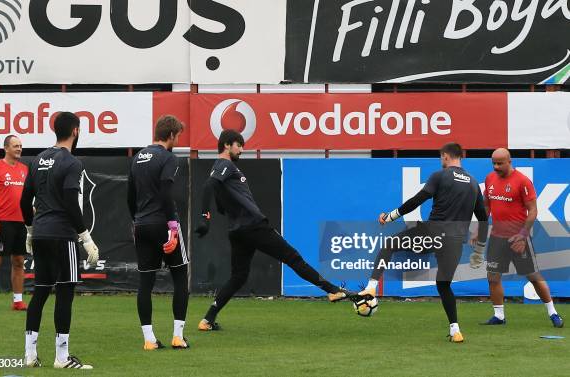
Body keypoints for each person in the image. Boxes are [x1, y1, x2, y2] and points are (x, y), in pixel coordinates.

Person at [194, 129, 352, 331]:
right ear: (227, 145)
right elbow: (209, 186)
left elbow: (218, 199)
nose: (242, 150)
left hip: (238, 230)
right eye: (239, 145)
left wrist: (215, 211)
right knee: (293, 258)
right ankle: (331, 290)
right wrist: (204, 217)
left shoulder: (219, 169)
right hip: (254, 226)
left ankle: (207, 319)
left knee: (238, 277)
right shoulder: (225, 165)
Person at [357, 142, 489, 343]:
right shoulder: (473, 183)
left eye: (440, 157)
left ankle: (371, 287)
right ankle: (456, 330)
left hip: (432, 232)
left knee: (390, 244)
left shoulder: (440, 175)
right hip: (454, 241)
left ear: (445, 156)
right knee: (444, 285)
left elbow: (416, 201)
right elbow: (483, 218)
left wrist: (390, 217)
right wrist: (479, 249)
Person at [20, 112, 99, 369]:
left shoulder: (38, 159)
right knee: (65, 293)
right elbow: (69, 202)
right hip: (62, 235)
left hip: (41, 233)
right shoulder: (72, 162)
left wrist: (30, 231)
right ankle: (62, 358)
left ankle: (30, 356)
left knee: (40, 293)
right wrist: (85, 237)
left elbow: (24, 201)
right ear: (75, 130)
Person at [470, 148, 563, 328]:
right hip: (497, 238)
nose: (496, 167)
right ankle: (499, 316)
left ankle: (553, 313)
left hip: (518, 239)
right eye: (494, 163)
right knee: (493, 277)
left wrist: (522, 235)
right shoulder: (490, 179)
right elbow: (486, 208)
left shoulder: (522, 181)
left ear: (509, 161)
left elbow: (533, 210)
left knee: (533, 276)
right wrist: (479, 228)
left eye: (500, 163)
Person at [127, 115, 190, 350]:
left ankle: (149, 339)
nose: (177, 140)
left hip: (142, 224)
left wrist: (135, 221)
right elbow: (166, 193)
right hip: (163, 224)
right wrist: (172, 226)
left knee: (145, 282)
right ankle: (177, 336)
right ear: (172, 135)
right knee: (180, 277)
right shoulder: (168, 157)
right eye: (178, 136)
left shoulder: (137, 158)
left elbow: (129, 196)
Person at [0, 135, 29, 312]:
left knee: (18, 261)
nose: (19, 149)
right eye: (16, 146)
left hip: (21, 222)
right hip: (2, 221)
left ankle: (18, 301)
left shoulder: (25, 169)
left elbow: (28, 196)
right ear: (6, 148)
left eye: (21, 146)